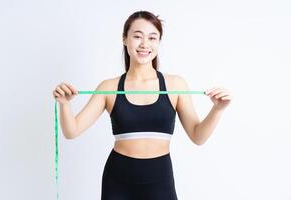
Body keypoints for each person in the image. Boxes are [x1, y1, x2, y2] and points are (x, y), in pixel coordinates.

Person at [52, 10, 232, 200]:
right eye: (137, 36)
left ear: (158, 42)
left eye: (152, 38)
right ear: (124, 39)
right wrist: (64, 105)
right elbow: (71, 131)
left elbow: (198, 136)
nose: (145, 44)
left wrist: (218, 109)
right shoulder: (109, 87)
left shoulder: (175, 85)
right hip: (118, 180)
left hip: (160, 180)